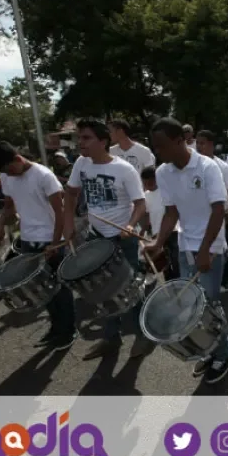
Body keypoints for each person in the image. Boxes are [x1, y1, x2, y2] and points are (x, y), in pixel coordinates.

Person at [146, 117, 228, 384]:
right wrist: (158, 243)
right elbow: (172, 212)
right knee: (193, 306)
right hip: (185, 246)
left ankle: (223, 355)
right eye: (155, 147)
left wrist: (206, 250)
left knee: (210, 303)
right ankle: (208, 351)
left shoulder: (207, 166)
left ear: (179, 141)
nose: (158, 152)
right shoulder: (163, 172)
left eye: (161, 146)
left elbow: (219, 209)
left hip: (212, 246)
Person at [63, 118, 147, 360]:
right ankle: (111, 337)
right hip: (96, 237)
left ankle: (142, 334)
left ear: (103, 141)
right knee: (102, 290)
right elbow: (70, 194)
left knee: (129, 288)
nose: (81, 143)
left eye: (86, 138)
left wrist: (130, 225)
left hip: (122, 237)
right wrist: (68, 224)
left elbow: (140, 204)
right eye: (80, 138)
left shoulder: (123, 169)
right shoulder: (81, 163)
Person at [0, 141, 78, 350]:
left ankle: (68, 330)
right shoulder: (8, 176)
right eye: (4, 172)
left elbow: (60, 212)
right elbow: (9, 204)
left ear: (18, 159)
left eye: (9, 169)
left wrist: (55, 244)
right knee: (41, 288)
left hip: (50, 238)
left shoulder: (44, 176)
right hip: (28, 239)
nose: (8, 174)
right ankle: (56, 328)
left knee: (58, 287)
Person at [196, 130, 228, 292]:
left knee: (223, 248)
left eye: (203, 143)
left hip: (220, 216)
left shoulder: (222, 166)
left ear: (212, 145)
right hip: (201, 218)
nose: (199, 147)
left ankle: (227, 279)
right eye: (197, 143)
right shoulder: (194, 166)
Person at [140, 167, 180, 282]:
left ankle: (181, 280)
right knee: (164, 263)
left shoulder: (166, 191)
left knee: (175, 259)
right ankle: (171, 283)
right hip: (156, 233)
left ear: (157, 179)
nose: (148, 185)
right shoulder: (145, 196)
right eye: (145, 183)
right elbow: (146, 215)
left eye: (151, 182)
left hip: (173, 231)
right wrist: (143, 230)